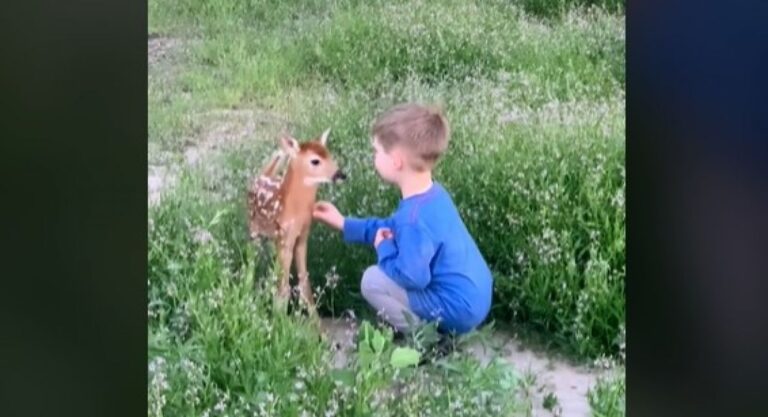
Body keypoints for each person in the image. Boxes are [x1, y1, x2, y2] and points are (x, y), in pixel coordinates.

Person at [313, 103, 493, 337]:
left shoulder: (412, 219)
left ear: (396, 161)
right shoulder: (433, 195)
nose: (374, 157)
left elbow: (413, 278)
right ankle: (428, 325)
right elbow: (395, 227)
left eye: (377, 151)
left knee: (372, 281)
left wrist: (384, 248)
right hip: (476, 296)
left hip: (458, 311)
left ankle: (425, 339)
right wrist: (344, 223)